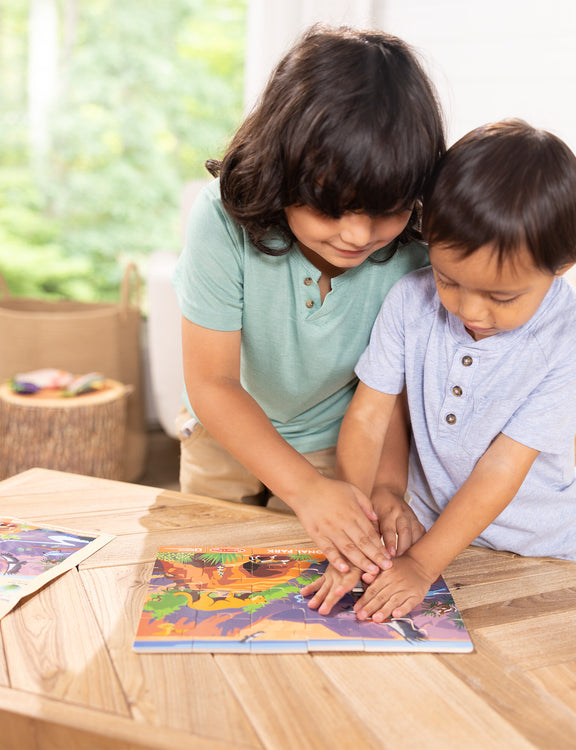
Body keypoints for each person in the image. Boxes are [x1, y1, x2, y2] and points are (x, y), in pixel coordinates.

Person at [171, 24, 445, 578]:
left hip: (337, 446)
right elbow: (212, 383)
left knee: (302, 586)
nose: (357, 235)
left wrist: (380, 487)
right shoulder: (220, 222)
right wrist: (301, 489)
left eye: (387, 210)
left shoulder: (414, 254)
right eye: (332, 209)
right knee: (205, 571)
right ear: (282, 172)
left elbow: (388, 392)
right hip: (224, 430)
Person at [302, 119, 576, 620]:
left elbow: (502, 468)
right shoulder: (409, 299)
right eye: (448, 280)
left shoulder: (572, 336)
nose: (471, 311)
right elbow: (369, 416)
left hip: (534, 547)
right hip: (421, 526)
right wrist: (361, 524)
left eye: (502, 297)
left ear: (564, 264)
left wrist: (422, 565)